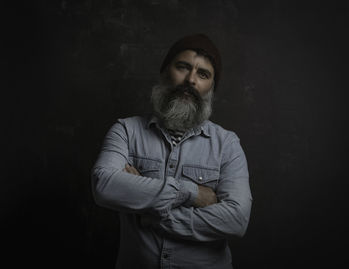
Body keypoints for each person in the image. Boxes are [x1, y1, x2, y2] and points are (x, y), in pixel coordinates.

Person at [91, 34, 252, 269]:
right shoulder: (126, 131)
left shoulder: (227, 144)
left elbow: (236, 220)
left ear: (211, 88)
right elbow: (103, 186)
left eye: (203, 74)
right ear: (164, 71)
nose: (191, 80)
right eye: (183, 67)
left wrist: (156, 215)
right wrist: (191, 193)